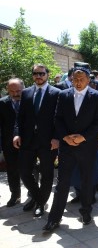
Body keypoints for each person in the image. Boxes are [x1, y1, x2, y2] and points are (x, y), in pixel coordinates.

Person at [43, 62, 98, 232]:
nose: (78, 82)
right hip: (67, 146)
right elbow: (58, 118)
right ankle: (54, 218)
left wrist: (83, 137)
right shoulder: (63, 95)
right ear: (71, 79)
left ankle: (86, 212)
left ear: (88, 80)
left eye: (81, 79)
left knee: (86, 181)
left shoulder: (97, 96)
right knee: (62, 182)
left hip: (87, 146)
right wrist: (65, 137)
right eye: (75, 79)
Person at [13, 64, 61, 217]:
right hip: (28, 140)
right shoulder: (26, 92)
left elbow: (60, 119)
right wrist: (17, 134)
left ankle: (40, 204)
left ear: (47, 74)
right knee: (24, 171)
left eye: (41, 73)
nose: (38, 76)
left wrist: (57, 138)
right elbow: (20, 117)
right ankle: (36, 196)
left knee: (47, 174)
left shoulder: (57, 93)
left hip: (48, 141)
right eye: (35, 73)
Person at [0, 78, 24, 207]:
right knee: (12, 170)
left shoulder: (30, 101)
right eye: (11, 91)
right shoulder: (2, 103)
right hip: (9, 143)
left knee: (30, 168)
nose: (15, 94)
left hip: (28, 142)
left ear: (23, 88)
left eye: (18, 91)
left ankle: (33, 194)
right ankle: (15, 195)